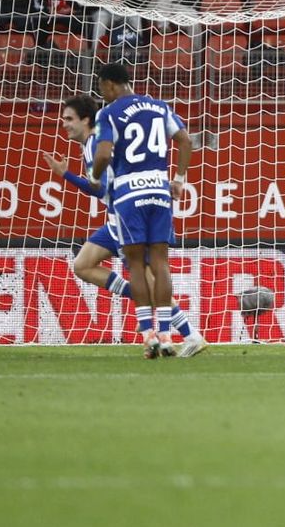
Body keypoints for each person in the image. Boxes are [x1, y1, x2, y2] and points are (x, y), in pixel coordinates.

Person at [47, 95, 202, 355]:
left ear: (86, 120)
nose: (64, 124)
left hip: (126, 215)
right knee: (83, 265)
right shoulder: (89, 144)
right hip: (115, 217)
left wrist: (67, 176)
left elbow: (101, 190)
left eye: (69, 119)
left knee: (149, 277)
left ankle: (189, 334)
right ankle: (141, 297)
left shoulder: (98, 142)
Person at [88, 62, 194, 358]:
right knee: (160, 263)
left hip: (128, 193)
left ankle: (148, 335)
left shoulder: (107, 113)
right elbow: (185, 140)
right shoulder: (160, 106)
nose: (102, 93)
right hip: (160, 188)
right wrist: (179, 180)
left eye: (102, 88)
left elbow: (104, 154)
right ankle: (167, 335)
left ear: (109, 85)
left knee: (135, 264)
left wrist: (95, 177)